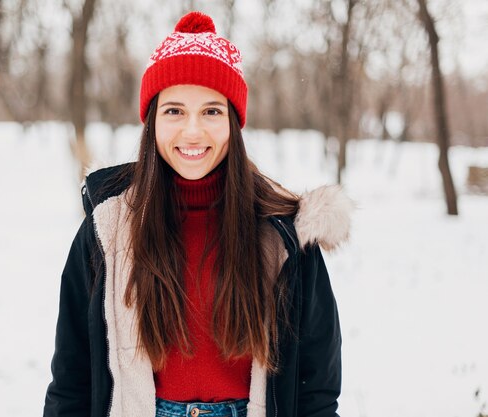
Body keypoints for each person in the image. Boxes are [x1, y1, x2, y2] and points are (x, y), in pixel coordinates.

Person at [43, 11, 352, 417]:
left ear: (233, 123)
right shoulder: (109, 227)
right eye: (174, 111)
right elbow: (72, 378)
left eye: (211, 111)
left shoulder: (284, 233)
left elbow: (317, 387)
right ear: (152, 121)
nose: (192, 131)